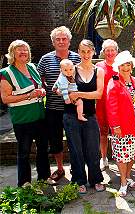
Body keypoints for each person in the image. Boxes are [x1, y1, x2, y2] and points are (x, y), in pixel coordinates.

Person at [0, 40, 50, 187]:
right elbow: (5, 98)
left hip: (39, 116)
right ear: (12, 53)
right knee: (24, 152)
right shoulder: (6, 73)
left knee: (42, 149)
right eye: (19, 50)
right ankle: (24, 182)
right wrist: (30, 95)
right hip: (23, 119)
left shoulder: (32, 67)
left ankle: (44, 176)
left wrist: (42, 91)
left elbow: (39, 87)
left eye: (25, 50)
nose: (23, 52)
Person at [38, 26, 81, 182]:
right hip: (53, 108)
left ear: (69, 41)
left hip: (73, 107)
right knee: (55, 140)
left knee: (75, 139)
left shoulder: (77, 58)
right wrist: (44, 89)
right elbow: (39, 80)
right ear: (53, 42)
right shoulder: (45, 59)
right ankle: (60, 168)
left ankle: (77, 168)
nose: (61, 41)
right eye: (58, 39)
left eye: (64, 39)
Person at [63, 39, 105, 194]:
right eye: (83, 51)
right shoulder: (71, 69)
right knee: (76, 150)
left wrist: (78, 94)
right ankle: (79, 180)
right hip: (70, 115)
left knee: (93, 149)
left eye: (89, 51)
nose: (86, 54)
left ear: (93, 51)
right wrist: (70, 94)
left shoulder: (98, 71)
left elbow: (99, 94)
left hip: (90, 115)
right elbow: (63, 88)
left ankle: (96, 179)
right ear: (78, 52)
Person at [106, 51, 135, 197]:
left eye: (128, 64)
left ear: (131, 66)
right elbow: (111, 106)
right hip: (122, 126)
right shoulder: (115, 82)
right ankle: (123, 182)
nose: (126, 67)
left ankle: (128, 176)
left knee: (131, 155)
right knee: (122, 155)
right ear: (118, 67)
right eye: (123, 64)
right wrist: (115, 125)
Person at [95, 39, 119, 171]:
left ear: (116, 51)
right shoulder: (98, 66)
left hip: (117, 106)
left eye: (112, 50)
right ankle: (103, 158)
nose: (110, 53)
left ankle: (119, 157)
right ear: (103, 52)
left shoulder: (121, 65)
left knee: (117, 132)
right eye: (107, 50)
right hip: (102, 104)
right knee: (103, 133)